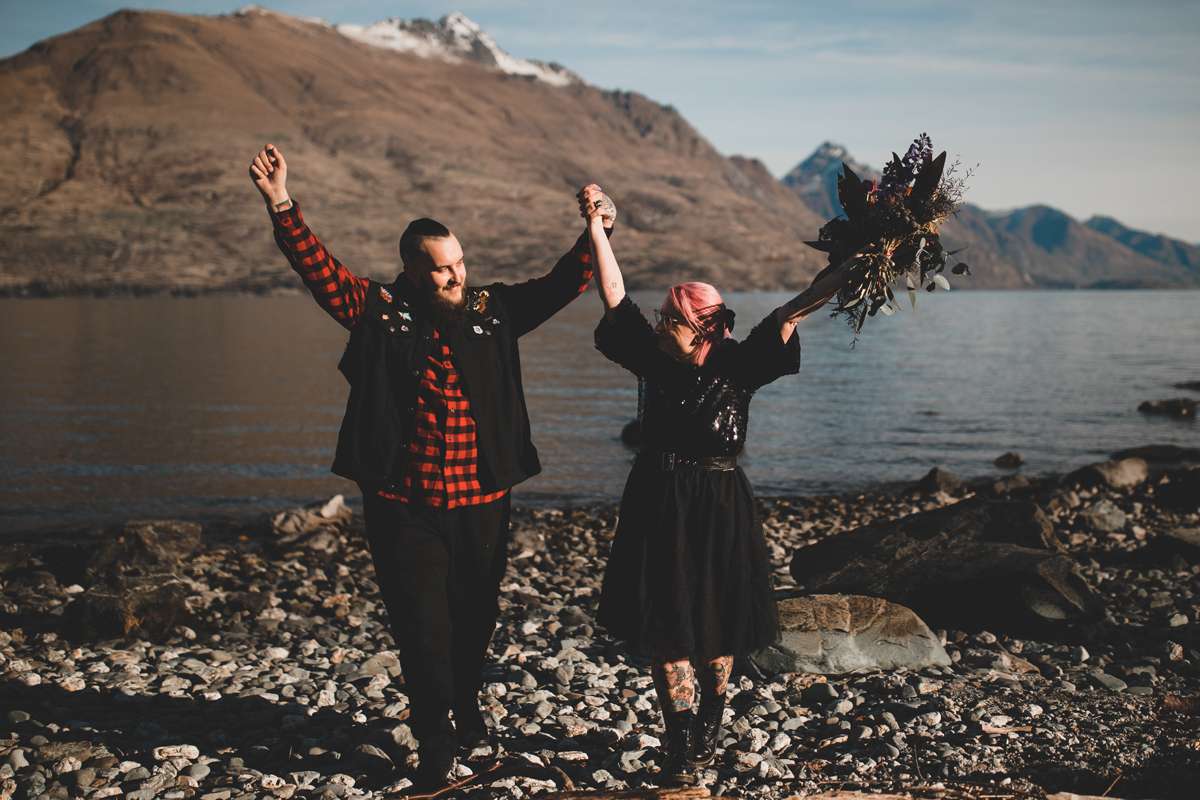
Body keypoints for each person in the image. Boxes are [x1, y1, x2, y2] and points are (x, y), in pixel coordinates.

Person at [248, 144, 616, 792]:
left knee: (475, 618)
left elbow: (564, 284)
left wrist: (597, 228)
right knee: (421, 625)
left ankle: (466, 708)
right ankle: (435, 744)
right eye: (442, 269)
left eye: (460, 263)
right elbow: (319, 271)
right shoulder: (379, 310)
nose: (455, 276)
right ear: (413, 271)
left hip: (482, 501)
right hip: (404, 505)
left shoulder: (492, 310)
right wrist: (281, 201)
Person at [583, 195, 848, 784]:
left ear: (700, 325)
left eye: (670, 319)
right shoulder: (652, 357)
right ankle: (681, 744)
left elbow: (797, 307)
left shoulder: (740, 363)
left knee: (717, 618)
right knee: (667, 620)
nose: (660, 325)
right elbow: (614, 294)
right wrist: (597, 228)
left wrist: (858, 262)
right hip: (658, 498)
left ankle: (710, 717)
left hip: (719, 501)